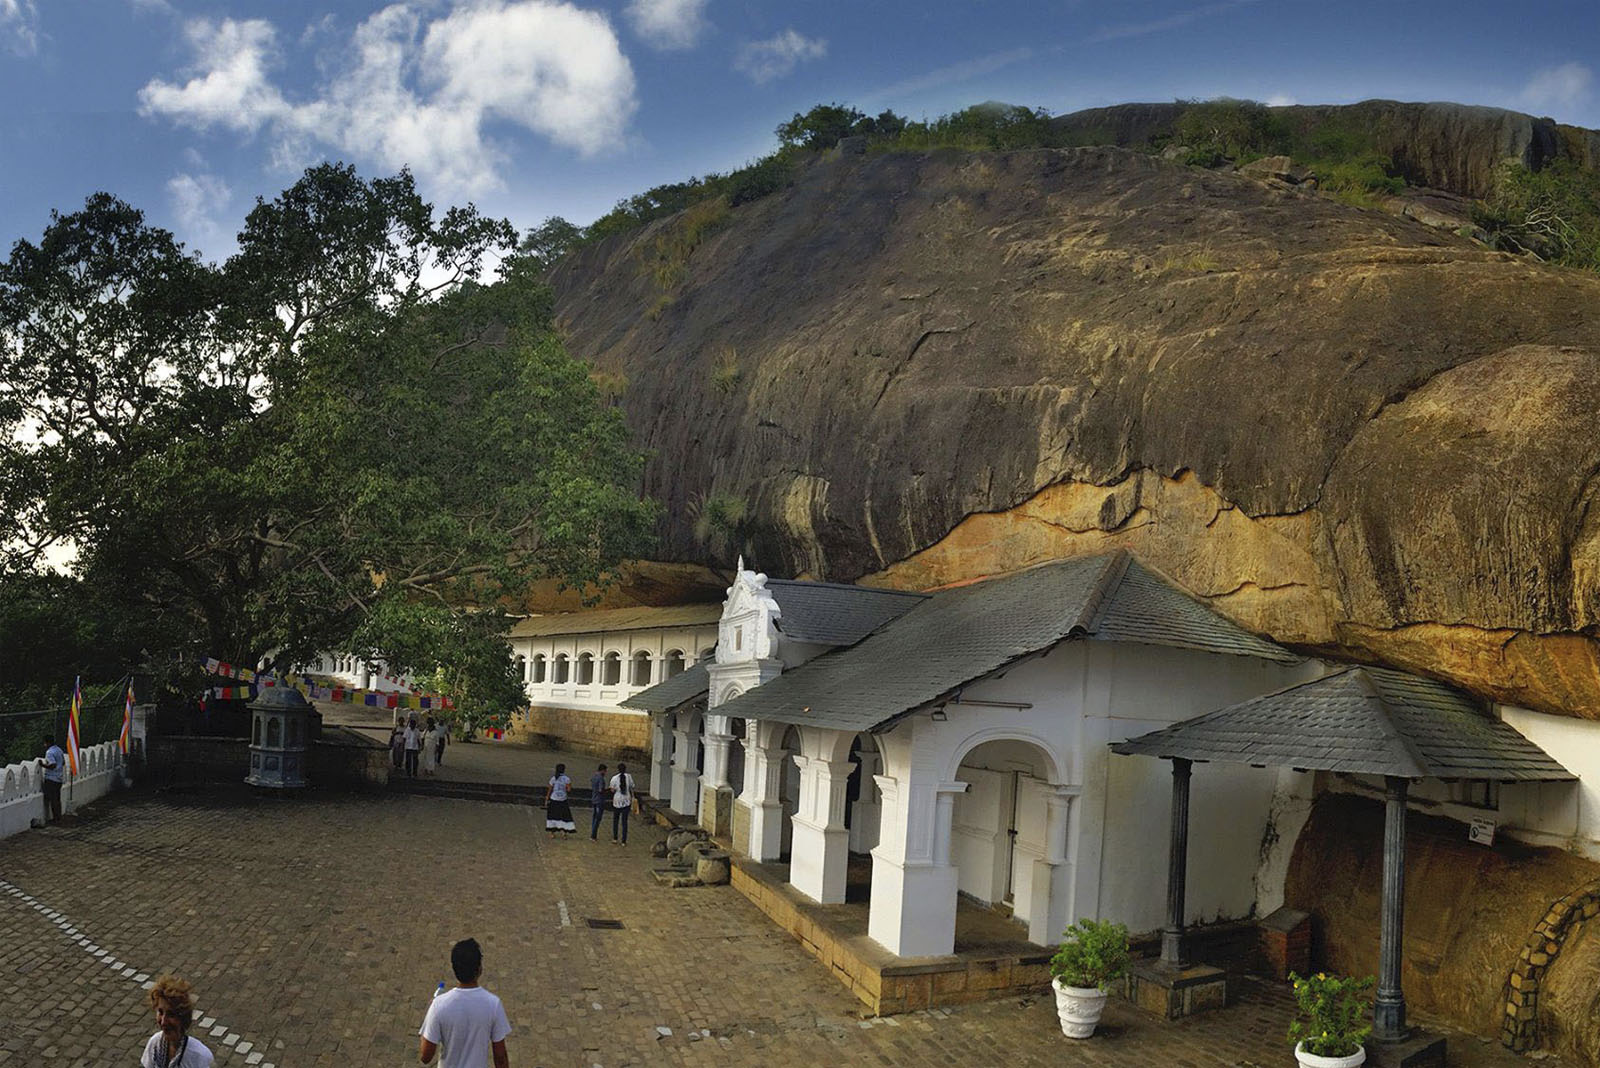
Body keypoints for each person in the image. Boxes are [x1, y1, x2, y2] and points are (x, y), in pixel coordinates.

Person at [419, 937, 511, 1068]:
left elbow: (425, 1056)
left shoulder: (439, 1005)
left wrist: (429, 1015)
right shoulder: (493, 1004)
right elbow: (500, 1057)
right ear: (479, 969)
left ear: (454, 969)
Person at [141, 973, 215, 1067]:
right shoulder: (155, 1044)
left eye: (171, 1015)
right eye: (160, 1012)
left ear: (183, 1018)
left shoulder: (199, 1056)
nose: (163, 1022)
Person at [544, 762, 575, 837]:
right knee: (564, 816)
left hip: (554, 799)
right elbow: (569, 790)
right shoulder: (567, 779)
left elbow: (550, 789)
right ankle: (564, 833)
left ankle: (552, 833)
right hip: (563, 800)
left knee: (553, 816)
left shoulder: (553, 778)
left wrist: (547, 798)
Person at [40, 734, 65, 823]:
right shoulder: (59, 750)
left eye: (45, 743)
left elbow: (53, 765)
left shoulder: (49, 752)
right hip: (59, 778)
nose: (44, 745)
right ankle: (58, 817)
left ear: (48, 743)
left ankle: (56, 819)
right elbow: (63, 762)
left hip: (51, 779)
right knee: (57, 799)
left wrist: (43, 765)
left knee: (53, 799)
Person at [609, 762, 635, 845]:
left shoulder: (614, 778)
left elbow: (612, 790)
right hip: (627, 800)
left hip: (617, 800)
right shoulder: (629, 777)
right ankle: (624, 840)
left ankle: (615, 838)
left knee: (615, 820)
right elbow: (632, 786)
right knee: (624, 821)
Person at [588, 763, 609, 841]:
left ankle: (593, 833)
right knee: (597, 818)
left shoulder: (594, 776)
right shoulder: (601, 778)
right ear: (603, 770)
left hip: (594, 798)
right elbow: (601, 790)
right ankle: (593, 835)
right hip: (600, 800)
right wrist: (607, 790)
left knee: (594, 817)